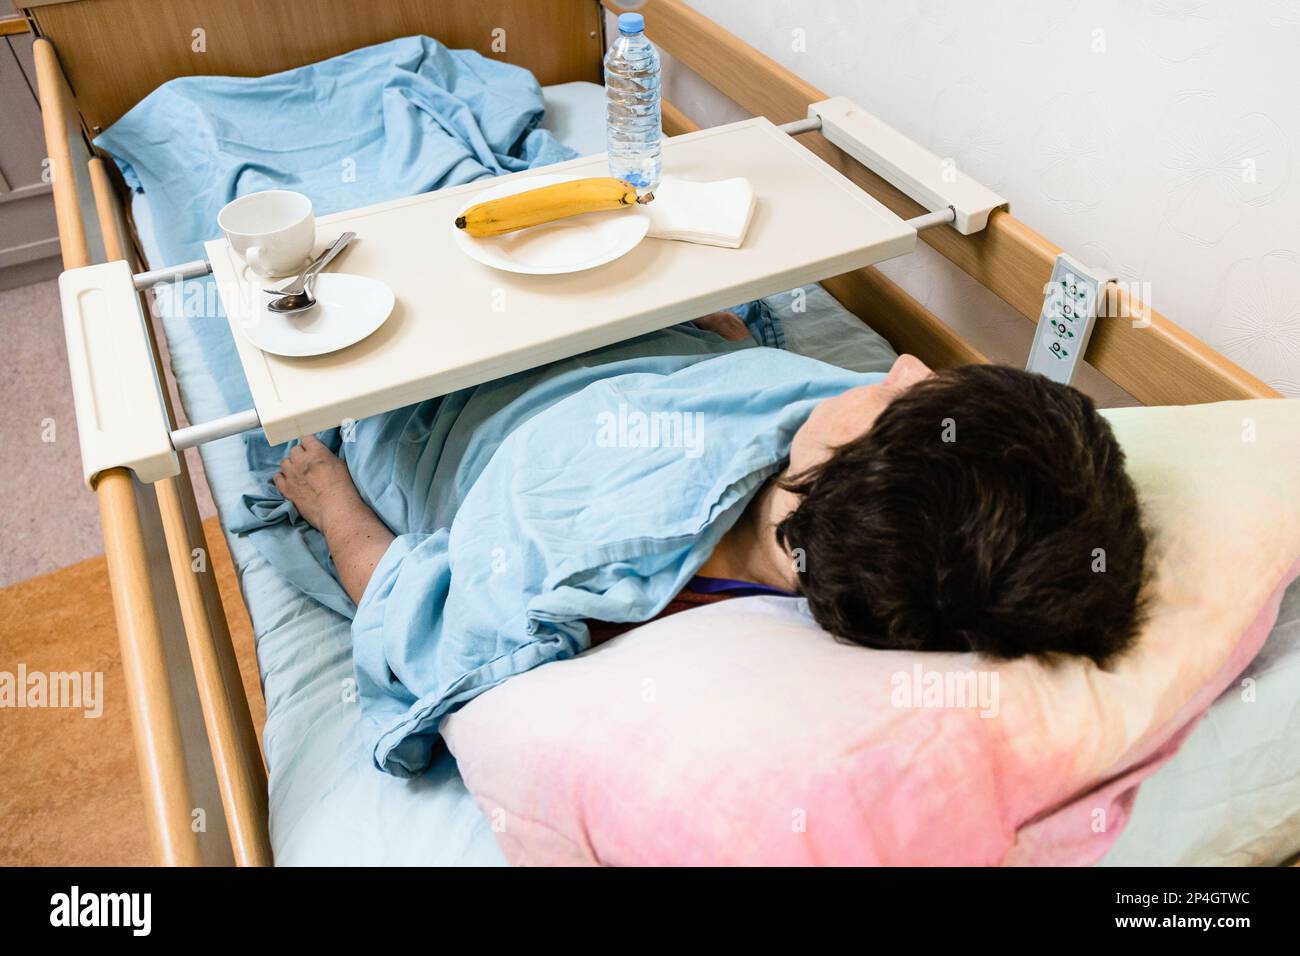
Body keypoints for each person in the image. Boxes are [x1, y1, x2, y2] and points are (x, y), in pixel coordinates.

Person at [268, 314, 1147, 775]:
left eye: (901, 399)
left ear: (842, 479)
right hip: (640, 342)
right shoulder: (842, 462)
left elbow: (417, 617)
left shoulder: (582, 575)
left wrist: (332, 503)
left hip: (462, 413)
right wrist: (721, 349)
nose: (906, 367)